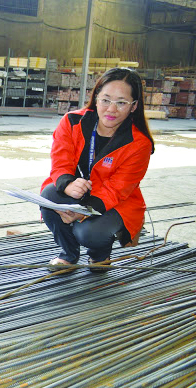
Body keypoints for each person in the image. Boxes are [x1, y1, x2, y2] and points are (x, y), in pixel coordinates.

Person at [40, 67, 154, 272]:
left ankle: (100, 255)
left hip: (116, 202)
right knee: (49, 196)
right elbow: (60, 161)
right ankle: (69, 254)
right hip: (79, 191)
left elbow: (117, 190)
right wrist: (67, 185)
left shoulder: (139, 143)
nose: (111, 109)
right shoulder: (72, 121)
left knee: (88, 232)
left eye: (121, 102)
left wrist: (81, 213)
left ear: (134, 106)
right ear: (96, 97)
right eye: (106, 100)